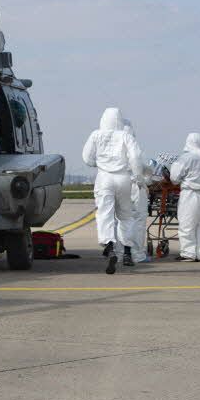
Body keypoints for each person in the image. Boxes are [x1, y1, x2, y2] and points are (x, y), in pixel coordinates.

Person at [81, 107, 142, 274]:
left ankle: (109, 245)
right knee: (126, 215)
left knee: (105, 212)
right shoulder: (126, 135)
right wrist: (138, 177)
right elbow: (135, 158)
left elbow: (86, 158)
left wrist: (99, 164)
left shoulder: (96, 135)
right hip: (123, 178)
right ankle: (128, 251)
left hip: (104, 177)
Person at [169, 133, 200, 262]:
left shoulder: (186, 158)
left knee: (187, 224)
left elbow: (174, 178)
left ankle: (188, 253)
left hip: (191, 194)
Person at [123, 119, 151, 265]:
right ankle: (137, 254)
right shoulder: (134, 147)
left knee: (121, 220)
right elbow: (143, 166)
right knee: (138, 220)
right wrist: (145, 181)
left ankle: (121, 252)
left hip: (119, 187)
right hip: (134, 186)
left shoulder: (113, 147)